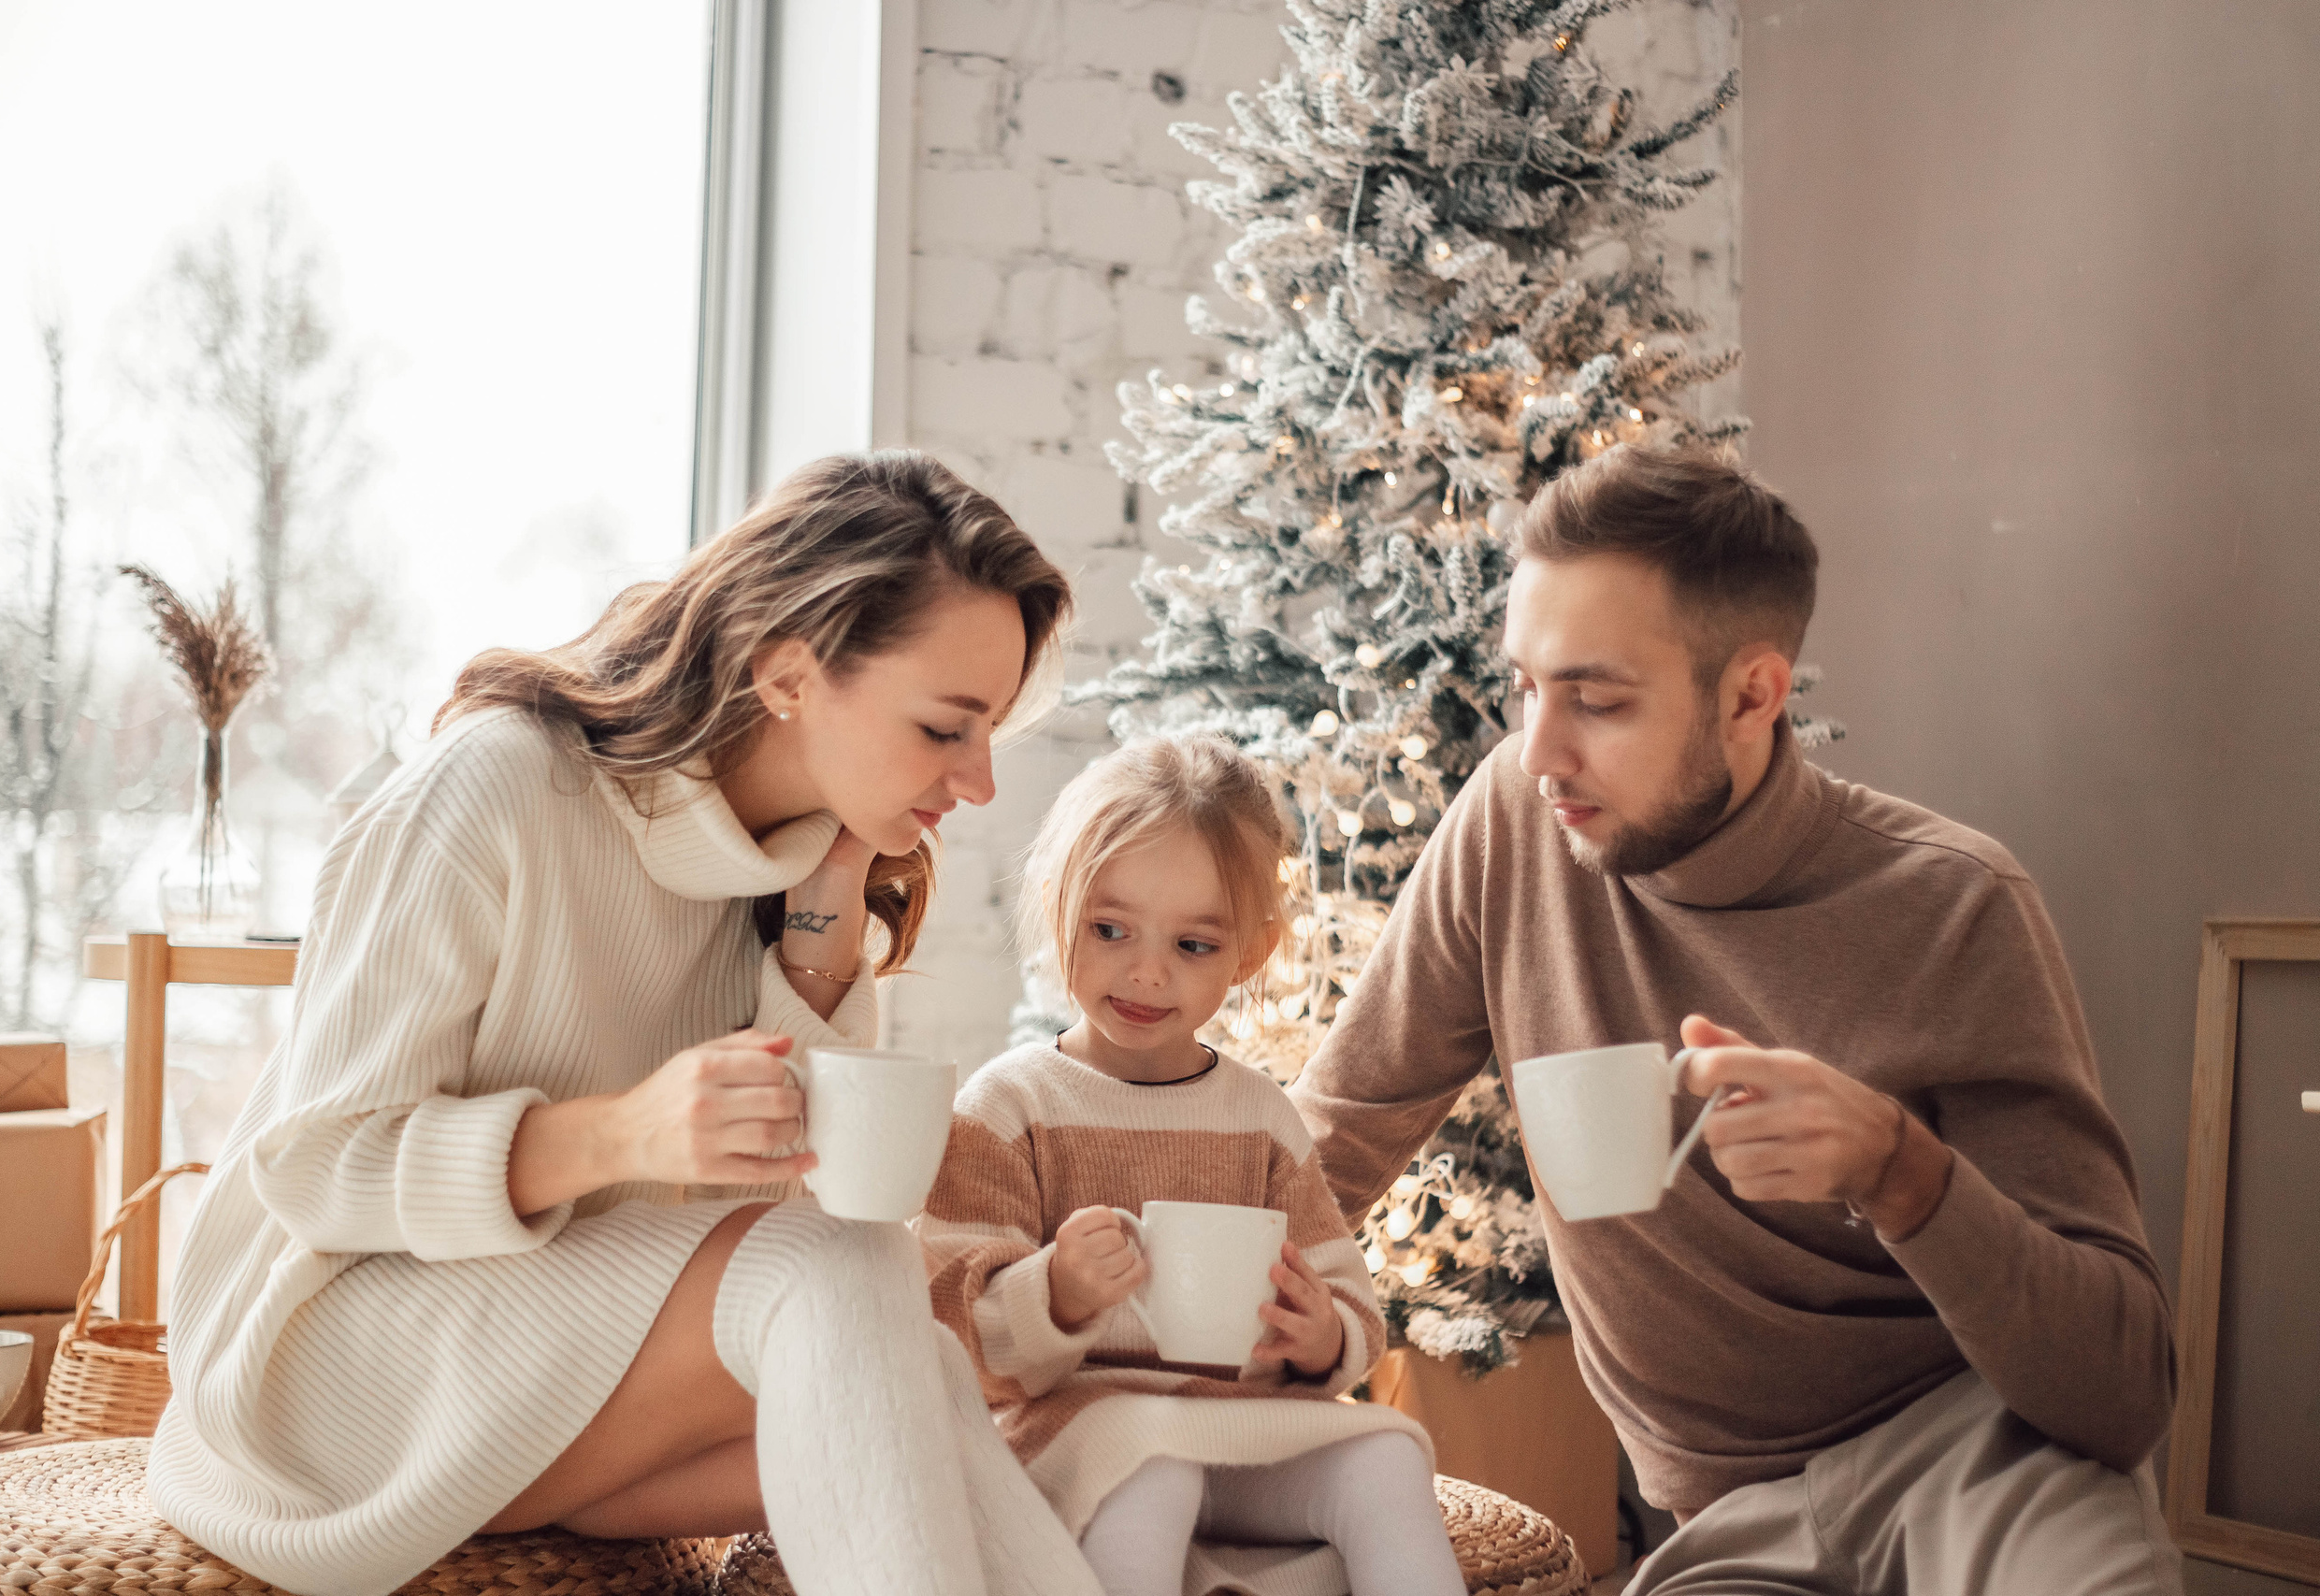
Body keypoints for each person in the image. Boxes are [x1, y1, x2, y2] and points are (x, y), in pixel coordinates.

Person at [150, 453, 1103, 1596]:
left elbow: (753, 1245)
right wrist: (620, 1138)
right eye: (948, 726)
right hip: (325, 1363)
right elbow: (311, 1167)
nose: (981, 781)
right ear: (790, 675)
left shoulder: (807, 869)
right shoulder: (499, 787)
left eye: (988, 730)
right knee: (846, 1277)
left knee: (924, 1369)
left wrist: (814, 956)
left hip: (546, 1365)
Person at [1288, 444, 2183, 1595]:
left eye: (1596, 699)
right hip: (1730, 1522)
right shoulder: (1513, 827)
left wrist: (1898, 1170)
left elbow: (2121, 1394)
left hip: (1984, 1463)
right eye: (1525, 685)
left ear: (1753, 694)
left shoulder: (1954, 905)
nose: (1540, 748)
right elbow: (1333, 1136)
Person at [916, 736, 1462, 1596]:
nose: (1146, 970)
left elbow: (1348, 1299)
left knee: (1389, 1455)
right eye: (1109, 929)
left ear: (1247, 953)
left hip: (1245, 1433)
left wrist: (1322, 1337)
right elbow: (947, 1335)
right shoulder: (1006, 1107)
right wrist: (1052, 1291)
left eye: (1193, 946)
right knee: (1156, 1471)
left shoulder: (1259, 1117)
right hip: (1081, 1440)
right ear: (1059, 908)